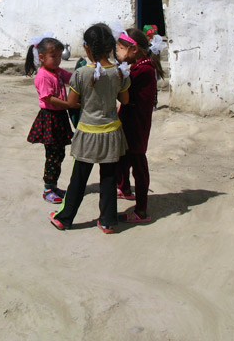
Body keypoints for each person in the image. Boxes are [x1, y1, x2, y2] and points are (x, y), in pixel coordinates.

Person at [48, 23, 130, 234]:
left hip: (88, 133)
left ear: (87, 47)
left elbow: (72, 102)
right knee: (109, 178)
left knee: (78, 179)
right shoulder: (120, 72)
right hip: (111, 133)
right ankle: (108, 221)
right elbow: (125, 100)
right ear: (111, 47)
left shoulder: (82, 73)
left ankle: (64, 218)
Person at [114, 26, 166, 223]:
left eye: (120, 48)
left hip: (136, 125)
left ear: (133, 49)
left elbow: (126, 95)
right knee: (123, 158)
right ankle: (125, 188)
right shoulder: (139, 66)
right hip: (129, 121)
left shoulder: (143, 70)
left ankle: (141, 210)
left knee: (138, 165)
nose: (117, 52)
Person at [25, 36, 77, 204]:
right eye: (53, 56)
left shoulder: (58, 72)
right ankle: (48, 189)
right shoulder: (43, 76)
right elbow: (49, 99)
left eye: (60, 56)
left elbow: (72, 78)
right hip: (50, 118)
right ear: (42, 57)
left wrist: (84, 73)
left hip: (59, 117)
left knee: (59, 153)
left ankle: (53, 186)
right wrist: (69, 104)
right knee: (53, 155)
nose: (58, 60)